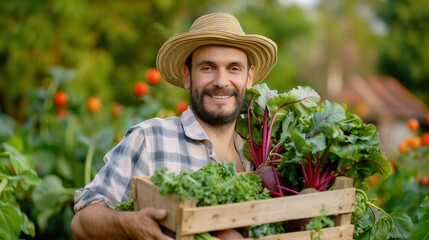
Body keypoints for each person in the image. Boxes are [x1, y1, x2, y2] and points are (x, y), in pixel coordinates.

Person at [71, 12, 277, 240]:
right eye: (207, 68)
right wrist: (130, 224)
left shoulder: (261, 155)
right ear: (187, 76)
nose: (220, 81)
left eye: (233, 68)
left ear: (249, 78)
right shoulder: (150, 138)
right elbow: (81, 222)